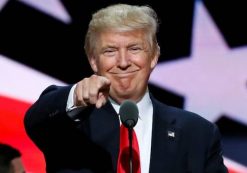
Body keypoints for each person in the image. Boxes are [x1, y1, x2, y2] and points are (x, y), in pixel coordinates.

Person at [24, 3, 228, 173]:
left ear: (154, 56)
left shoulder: (198, 134)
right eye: (110, 50)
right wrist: (74, 98)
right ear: (94, 61)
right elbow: (36, 120)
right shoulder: (69, 124)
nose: (123, 62)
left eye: (134, 48)